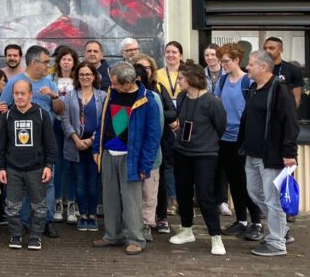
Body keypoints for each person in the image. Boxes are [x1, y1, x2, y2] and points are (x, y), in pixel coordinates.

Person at [91, 62, 160, 255]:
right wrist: (97, 149)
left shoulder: (147, 100)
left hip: (131, 157)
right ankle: (112, 235)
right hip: (108, 153)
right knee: (110, 198)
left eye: (116, 84)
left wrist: (145, 165)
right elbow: (102, 123)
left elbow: (152, 137)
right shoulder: (112, 94)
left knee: (132, 201)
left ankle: (136, 239)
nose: (112, 86)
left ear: (128, 82)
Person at [0, 45, 64, 239]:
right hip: (21, 145)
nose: (48, 66)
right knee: (24, 186)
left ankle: (47, 221)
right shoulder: (15, 83)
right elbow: (3, 109)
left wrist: (54, 95)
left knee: (47, 183)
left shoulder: (49, 83)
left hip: (45, 142)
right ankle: (26, 222)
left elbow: (60, 110)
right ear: (34, 63)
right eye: (45, 62)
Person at [239, 50, 299, 256]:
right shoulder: (254, 88)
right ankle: (281, 229)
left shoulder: (280, 89)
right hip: (251, 153)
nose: (247, 67)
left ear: (263, 67)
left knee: (273, 199)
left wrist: (289, 153)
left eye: (251, 64)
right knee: (255, 193)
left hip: (271, 156)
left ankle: (276, 242)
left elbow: (290, 123)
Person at [169, 63, 228, 255]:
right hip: (182, 152)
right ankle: (186, 229)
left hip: (205, 154)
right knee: (183, 192)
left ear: (192, 79)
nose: (178, 82)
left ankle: (216, 236)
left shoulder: (212, 102)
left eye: (181, 78)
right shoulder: (182, 97)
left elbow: (221, 127)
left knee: (204, 194)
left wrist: (206, 141)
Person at [0, 78, 56, 250]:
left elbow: (50, 144)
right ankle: (16, 235)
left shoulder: (41, 114)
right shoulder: (7, 116)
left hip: (36, 168)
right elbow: (1, 146)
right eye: (16, 93)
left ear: (31, 94)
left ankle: (35, 236)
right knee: (12, 206)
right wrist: (1, 168)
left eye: (23, 93)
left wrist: (49, 165)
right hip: (13, 169)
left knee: (39, 206)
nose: (19, 97)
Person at [213, 43, 263, 241]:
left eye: (226, 61)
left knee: (247, 183)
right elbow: (217, 104)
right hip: (225, 138)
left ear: (237, 60)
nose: (223, 64)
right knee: (233, 182)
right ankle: (241, 220)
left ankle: (256, 223)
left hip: (242, 140)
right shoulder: (223, 80)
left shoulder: (247, 82)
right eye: (221, 61)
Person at [59, 61, 107, 232]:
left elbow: (104, 121)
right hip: (75, 145)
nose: (85, 77)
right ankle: (83, 215)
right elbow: (65, 120)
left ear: (94, 76)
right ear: (77, 77)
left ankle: (92, 215)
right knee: (79, 182)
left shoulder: (102, 96)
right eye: (82, 74)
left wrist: (92, 140)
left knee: (93, 182)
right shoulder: (69, 96)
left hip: (94, 145)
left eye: (88, 74)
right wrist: (76, 139)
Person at [134, 53, 177, 235]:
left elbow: (171, 111)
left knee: (157, 183)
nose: (144, 71)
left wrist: (155, 115)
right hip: (138, 146)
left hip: (160, 141)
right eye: (140, 67)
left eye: (147, 67)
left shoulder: (157, 89)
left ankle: (161, 217)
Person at [52, 46, 78, 224]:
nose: (67, 62)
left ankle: (72, 203)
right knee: (58, 165)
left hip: (73, 126)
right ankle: (57, 203)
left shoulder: (78, 80)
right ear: (59, 61)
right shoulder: (51, 80)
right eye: (64, 59)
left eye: (70, 59)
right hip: (56, 124)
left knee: (71, 165)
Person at [263, 37, 304, 107]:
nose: (267, 51)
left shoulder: (293, 70)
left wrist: (290, 112)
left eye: (271, 48)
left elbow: (296, 99)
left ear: (281, 50)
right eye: (265, 48)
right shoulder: (259, 68)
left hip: (283, 110)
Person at [156, 41, 184, 106]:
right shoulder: (156, 74)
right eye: (168, 52)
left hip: (184, 107)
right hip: (164, 108)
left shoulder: (188, 74)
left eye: (174, 52)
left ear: (181, 56)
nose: (170, 55)